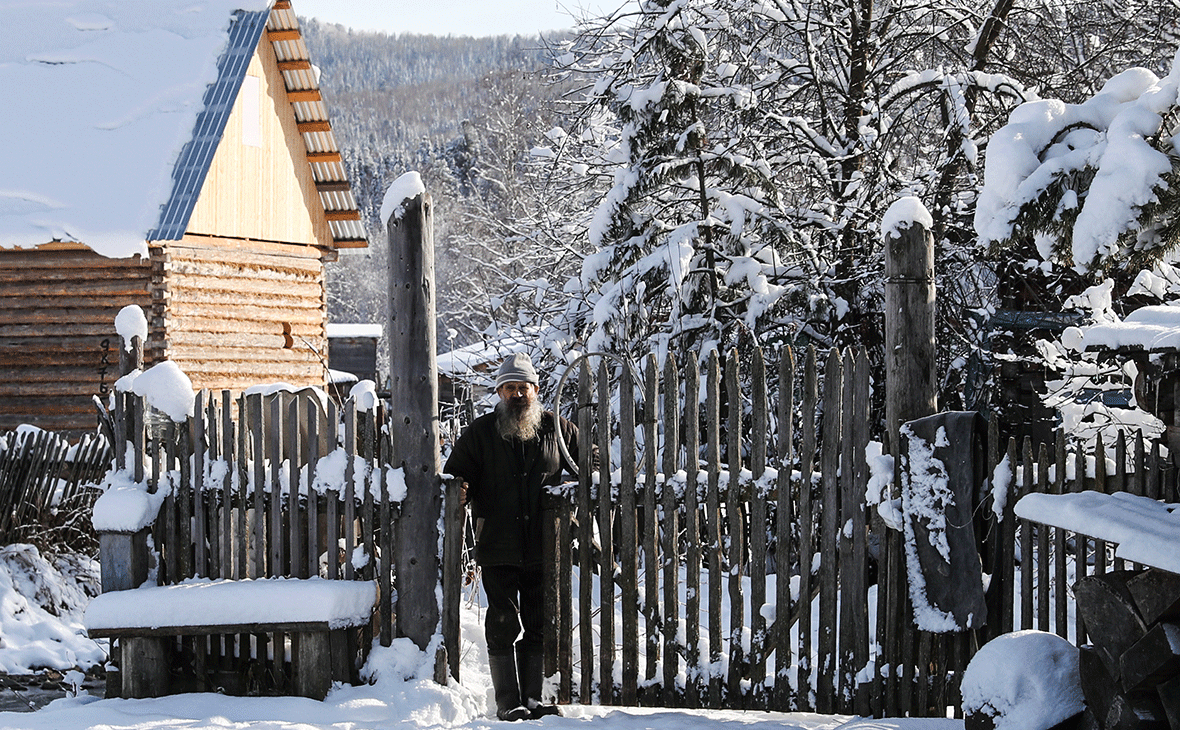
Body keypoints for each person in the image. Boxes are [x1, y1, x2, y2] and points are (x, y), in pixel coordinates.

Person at [444, 352, 580, 721]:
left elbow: (592, 461)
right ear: (499, 393)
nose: (518, 395)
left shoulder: (559, 430)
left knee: (538, 623)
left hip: (543, 545)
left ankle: (534, 700)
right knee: (502, 621)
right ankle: (508, 702)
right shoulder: (481, 432)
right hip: (498, 544)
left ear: (536, 390)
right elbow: (455, 473)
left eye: (524, 388)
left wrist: (571, 485)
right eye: (509, 389)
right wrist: (461, 489)